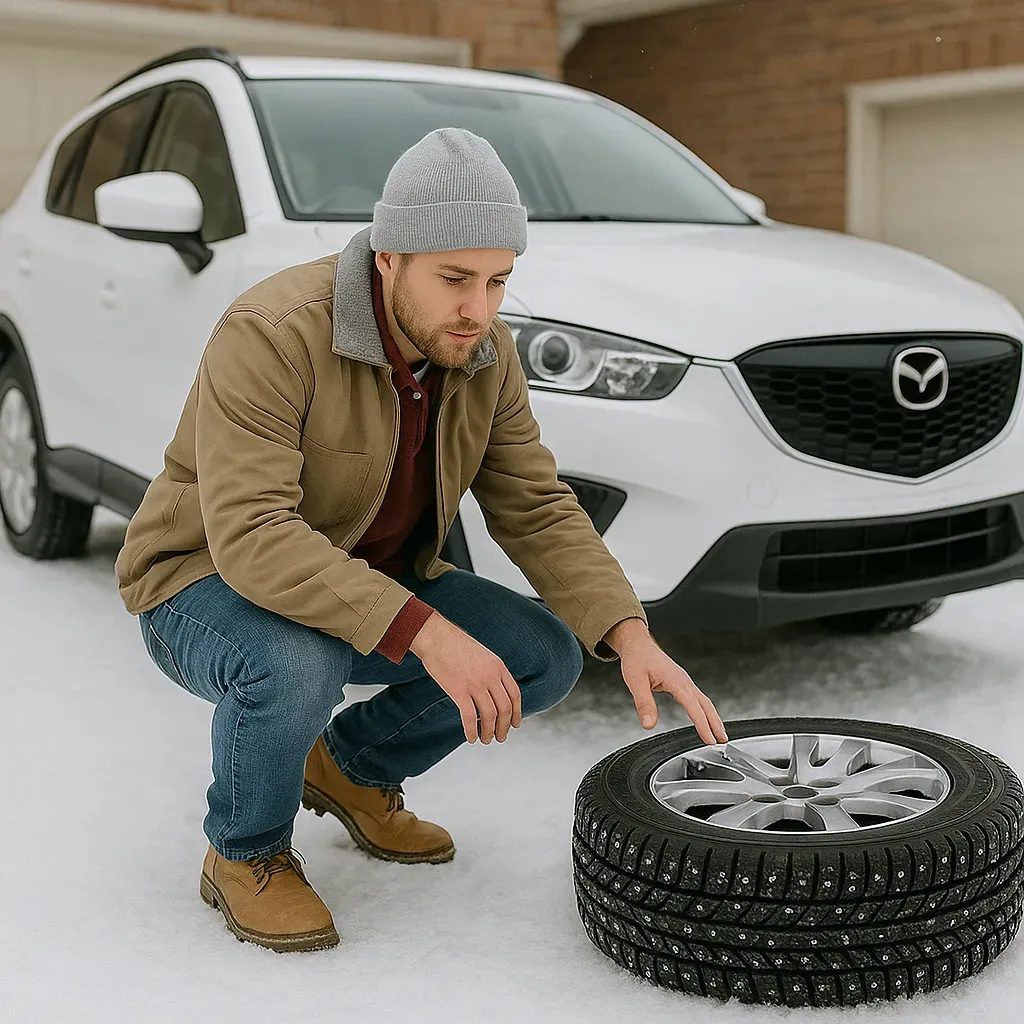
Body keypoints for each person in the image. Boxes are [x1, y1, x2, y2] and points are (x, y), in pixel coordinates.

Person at [115, 127, 728, 953]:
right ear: (388, 258)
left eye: (497, 281)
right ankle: (245, 852)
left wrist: (630, 632)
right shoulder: (271, 331)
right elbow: (254, 536)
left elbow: (535, 505)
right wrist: (431, 635)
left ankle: (350, 772)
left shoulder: (482, 351)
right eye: (454, 279)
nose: (478, 308)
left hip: (369, 582)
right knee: (301, 661)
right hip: (203, 583)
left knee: (543, 654)